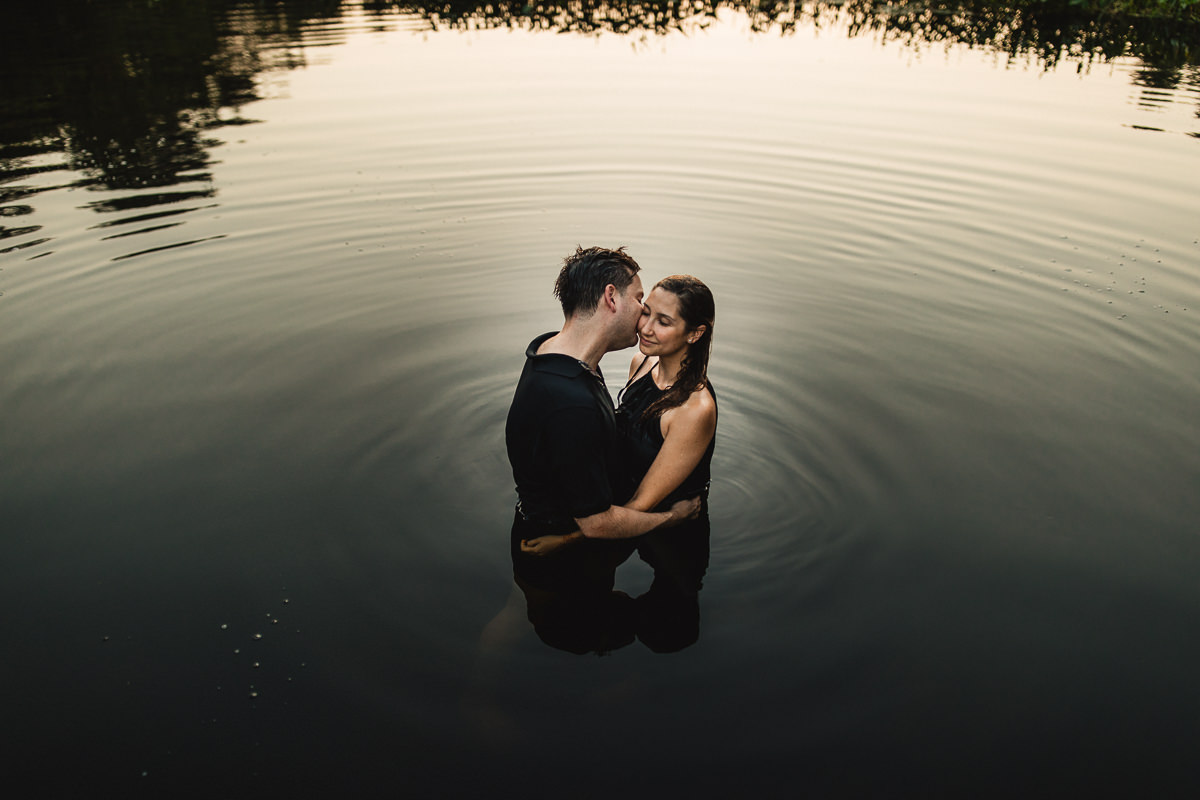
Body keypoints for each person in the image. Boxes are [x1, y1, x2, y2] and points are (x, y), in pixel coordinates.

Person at [505, 247, 700, 600]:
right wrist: (672, 519)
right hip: (563, 555)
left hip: (534, 523)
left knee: (522, 612)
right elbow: (596, 524)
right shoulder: (571, 403)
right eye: (640, 298)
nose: (644, 311)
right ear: (611, 297)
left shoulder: (551, 351)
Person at [520, 274, 717, 557]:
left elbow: (642, 504)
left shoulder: (694, 410)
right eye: (646, 312)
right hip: (625, 517)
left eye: (663, 322)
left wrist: (565, 540)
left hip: (674, 528)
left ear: (695, 333)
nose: (646, 328)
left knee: (672, 600)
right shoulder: (642, 363)